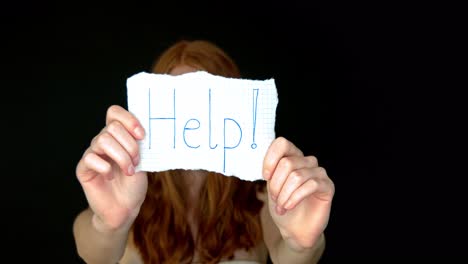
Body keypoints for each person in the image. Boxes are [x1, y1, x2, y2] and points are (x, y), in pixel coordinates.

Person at [73, 40, 335, 264]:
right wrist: (109, 225)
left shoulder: (265, 200)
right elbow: (96, 255)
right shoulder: (125, 195)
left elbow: (291, 257)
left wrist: (301, 244)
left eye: (207, 99)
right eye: (177, 101)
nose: (193, 119)